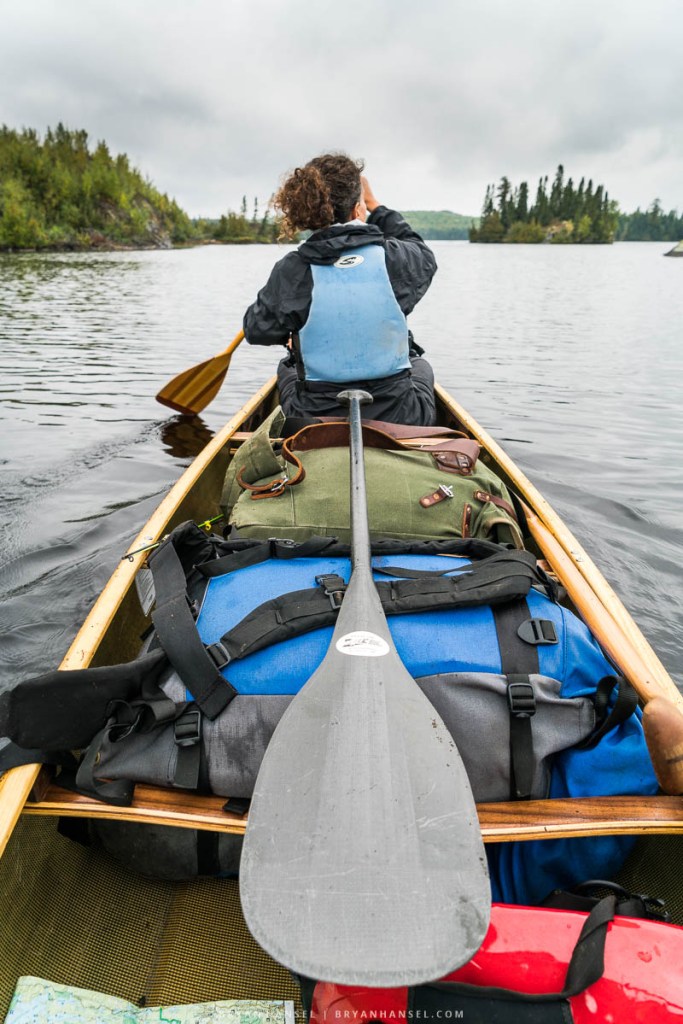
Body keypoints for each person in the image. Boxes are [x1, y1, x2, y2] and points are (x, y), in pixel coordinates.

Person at [243, 152, 438, 425]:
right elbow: (423, 254)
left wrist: (292, 335)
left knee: (287, 368)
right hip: (400, 415)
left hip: (313, 417)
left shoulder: (293, 269)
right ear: (357, 210)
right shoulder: (396, 258)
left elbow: (257, 331)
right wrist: (375, 206)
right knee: (420, 365)